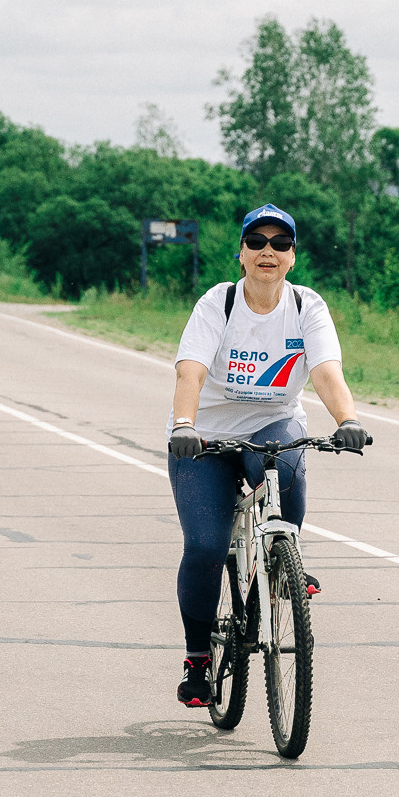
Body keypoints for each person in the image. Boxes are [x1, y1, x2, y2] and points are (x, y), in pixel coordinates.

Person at [165, 205, 370, 707]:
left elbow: (325, 371)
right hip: (206, 437)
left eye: (280, 244)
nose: (267, 251)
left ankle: (283, 559)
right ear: (241, 253)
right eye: (256, 242)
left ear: (292, 257)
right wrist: (184, 425)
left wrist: (347, 420)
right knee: (206, 547)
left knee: (289, 464)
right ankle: (197, 659)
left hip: (272, 424)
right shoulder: (219, 303)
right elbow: (190, 370)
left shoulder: (306, 306)